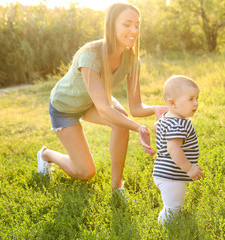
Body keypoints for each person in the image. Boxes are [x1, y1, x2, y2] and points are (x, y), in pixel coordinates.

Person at [36, 2, 168, 191]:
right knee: (85, 173)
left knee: (121, 119)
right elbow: (105, 109)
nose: (134, 30)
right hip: (64, 108)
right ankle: (46, 155)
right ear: (111, 24)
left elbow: (136, 107)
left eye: (137, 25)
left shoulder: (132, 59)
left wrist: (155, 109)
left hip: (92, 102)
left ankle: (117, 188)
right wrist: (138, 127)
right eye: (127, 24)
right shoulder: (90, 55)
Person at [152, 75, 204, 224]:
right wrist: (189, 169)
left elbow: (156, 126)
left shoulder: (166, 117)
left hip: (164, 172)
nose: (196, 103)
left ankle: (174, 219)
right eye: (191, 99)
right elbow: (174, 149)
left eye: (197, 98)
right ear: (172, 103)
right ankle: (164, 229)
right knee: (172, 207)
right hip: (172, 176)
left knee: (174, 204)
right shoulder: (178, 124)